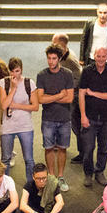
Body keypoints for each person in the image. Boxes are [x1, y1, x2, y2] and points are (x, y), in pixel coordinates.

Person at [78, 46, 107, 187]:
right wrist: (83, 115)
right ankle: (88, 174)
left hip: (106, 118)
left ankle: (99, 172)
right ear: (94, 56)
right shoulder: (87, 71)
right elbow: (82, 93)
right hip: (90, 116)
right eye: (98, 56)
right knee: (88, 149)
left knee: (103, 148)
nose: (101, 59)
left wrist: (93, 93)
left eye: (103, 56)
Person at [37, 44, 75, 192]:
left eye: (54, 58)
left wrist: (50, 97)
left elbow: (70, 98)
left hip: (64, 118)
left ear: (59, 59)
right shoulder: (41, 75)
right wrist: (59, 95)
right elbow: (40, 99)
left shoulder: (67, 74)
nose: (51, 61)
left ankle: (60, 176)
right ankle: (51, 177)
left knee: (62, 149)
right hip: (48, 119)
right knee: (49, 148)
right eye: (49, 58)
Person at [0, 57, 38, 181]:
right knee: (5, 159)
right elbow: (4, 105)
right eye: (12, 71)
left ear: (21, 70)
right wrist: (14, 88)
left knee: (29, 159)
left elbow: (35, 106)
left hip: (25, 126)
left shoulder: (29, 83)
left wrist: (15, 105)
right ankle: (4, 189)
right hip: (7, 127)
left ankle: (31, 187)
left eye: (17, 71)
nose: (14, 74)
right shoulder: (3, 82)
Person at [51, 32, 83, 162]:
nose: (52, 45)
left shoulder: (70, 60)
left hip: (73, 97)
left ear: (62, 45)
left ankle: (83, 154)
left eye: (54, 43)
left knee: (76, 125)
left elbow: (79, 78)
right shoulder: (62, 55)